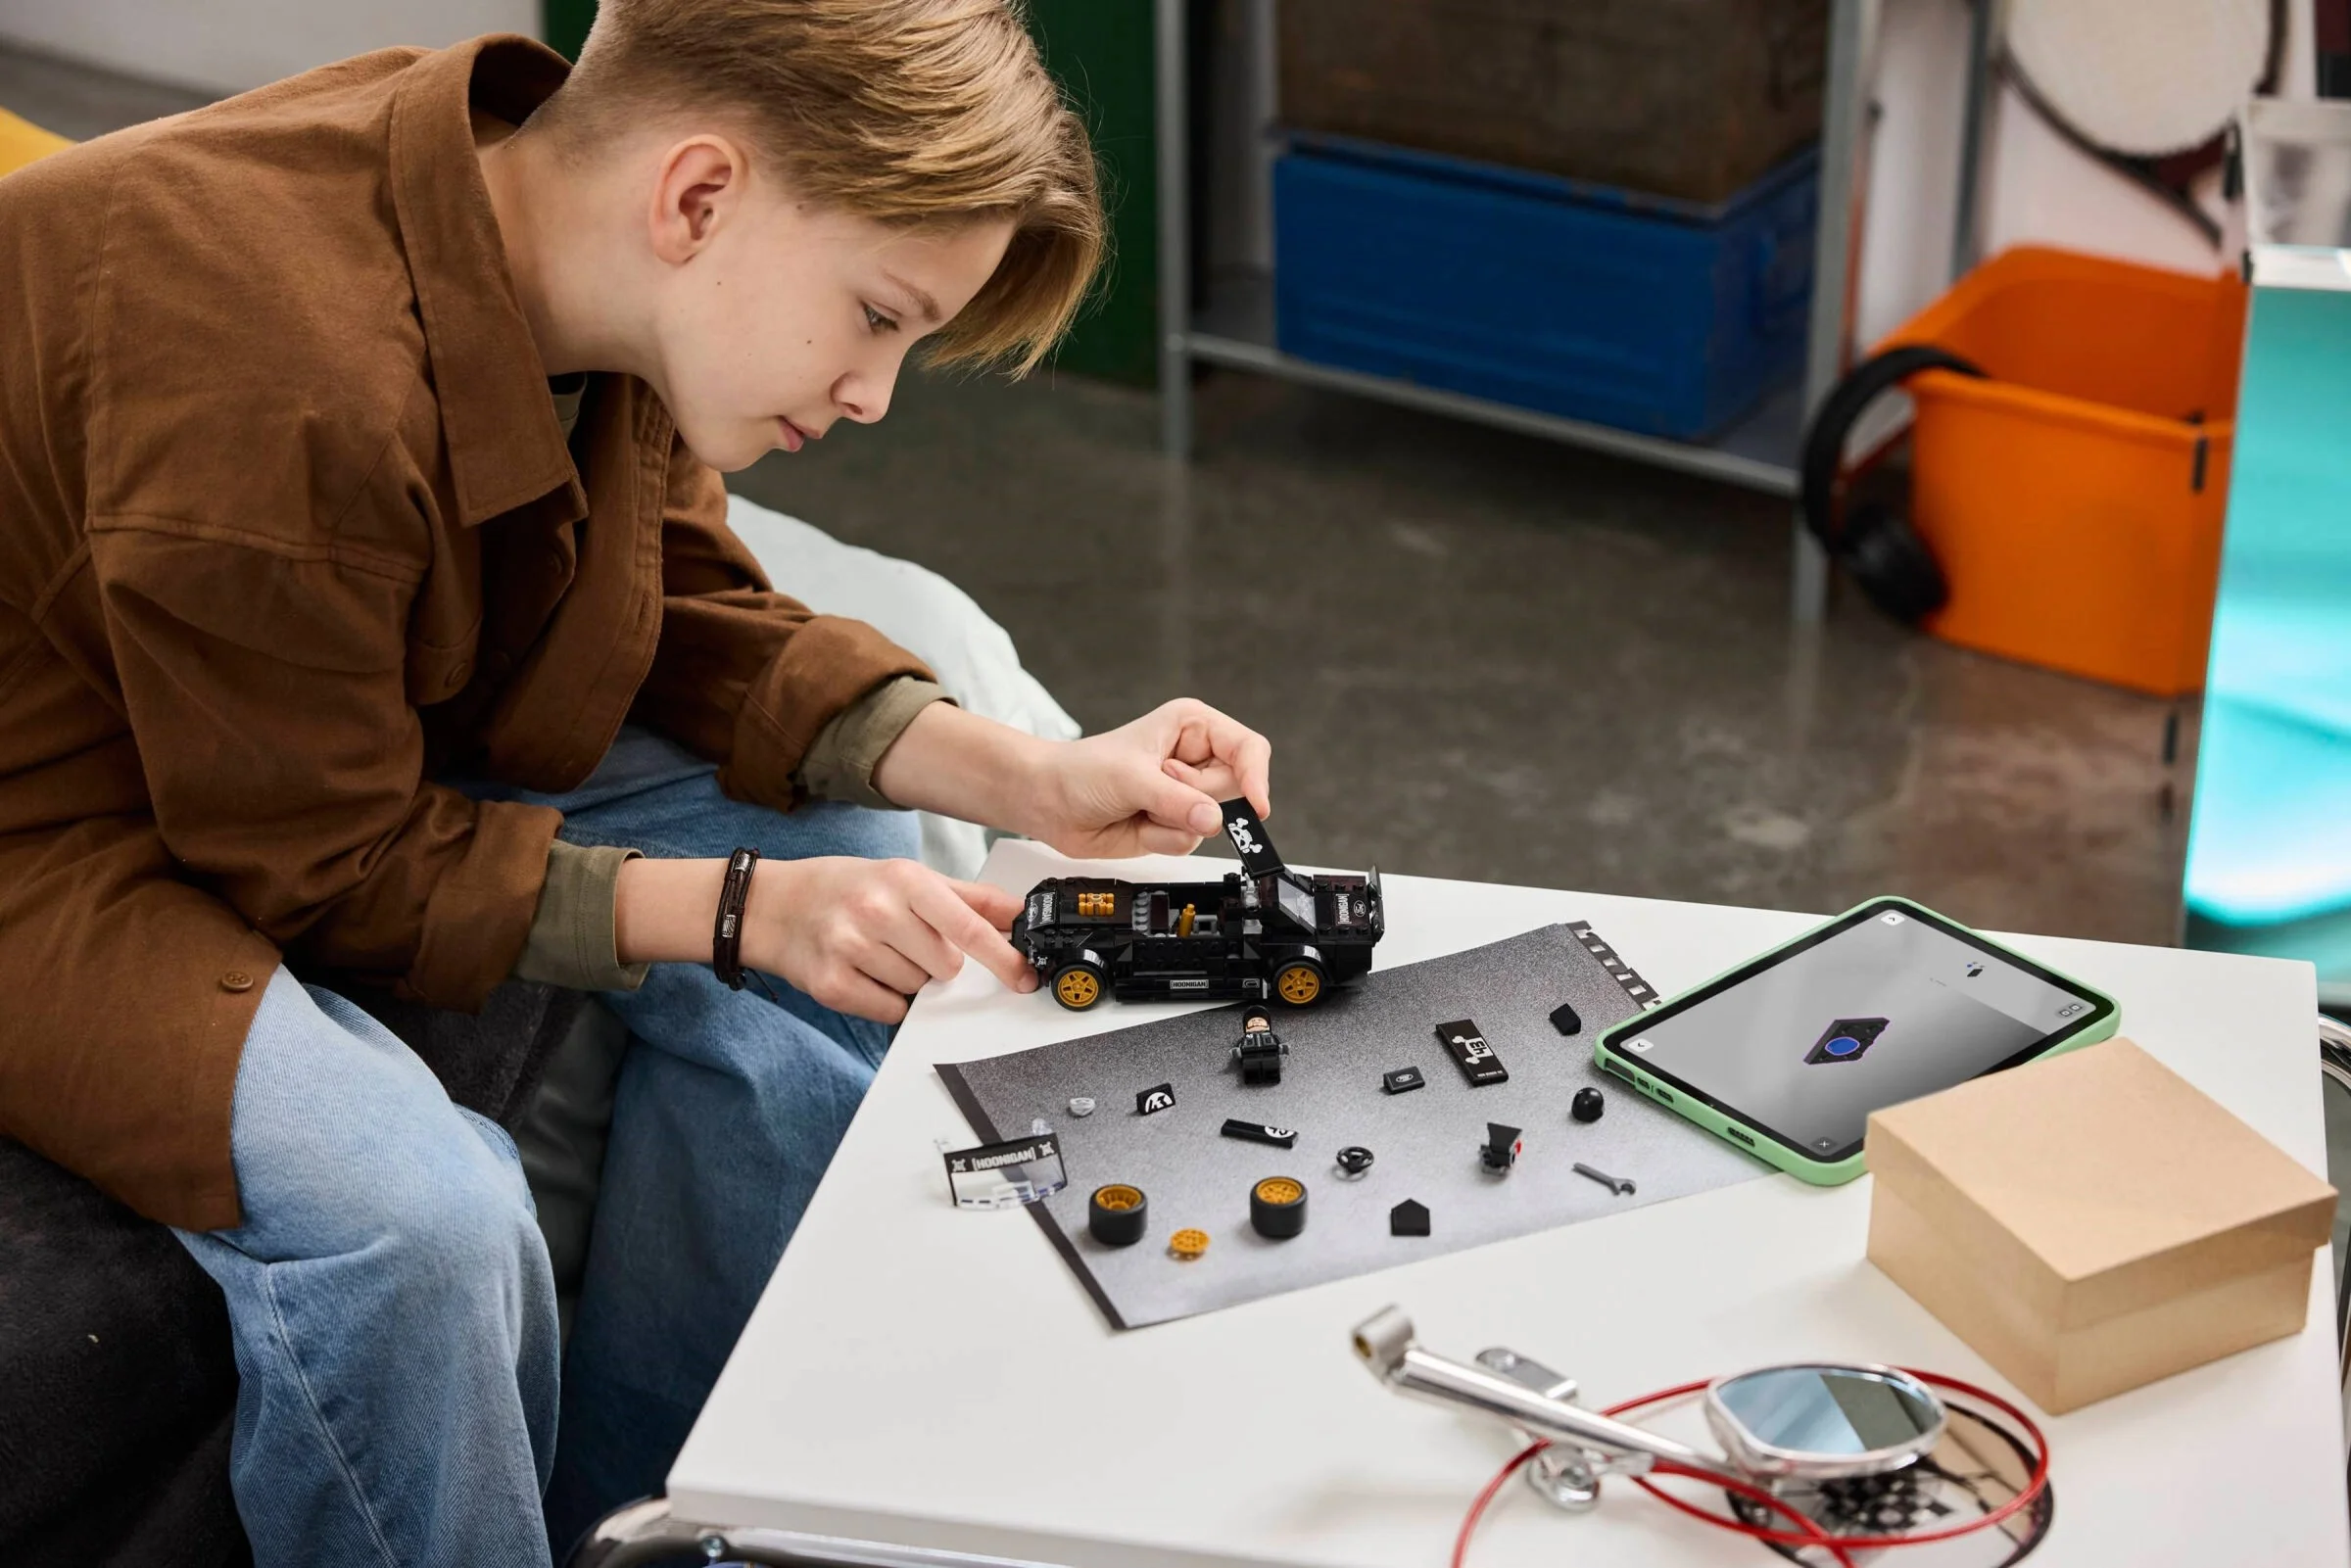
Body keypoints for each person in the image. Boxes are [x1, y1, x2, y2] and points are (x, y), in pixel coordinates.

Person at [0, 4, 1271, 1561]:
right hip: (49, 818)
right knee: (420, 1229)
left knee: (858, 847)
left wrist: (1031, 773)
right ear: (699, 198)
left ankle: (667, 1521)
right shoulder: (278, 370)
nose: (876, 394)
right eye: (876, 317)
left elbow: (673, 593)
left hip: (293, 703)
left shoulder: (550, 224)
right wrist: (744, 912)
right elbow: (324, 869)